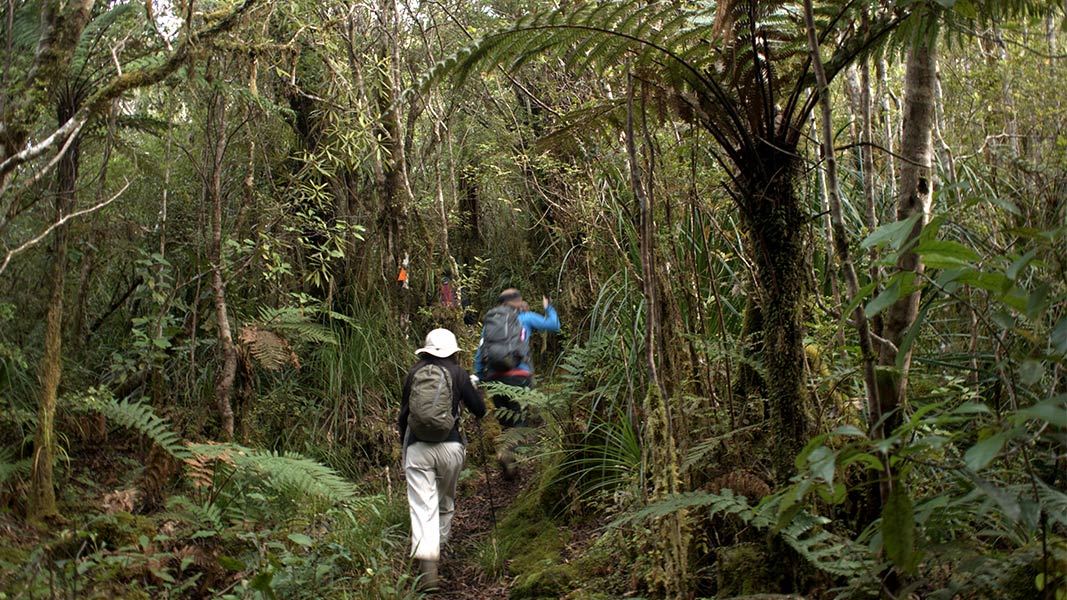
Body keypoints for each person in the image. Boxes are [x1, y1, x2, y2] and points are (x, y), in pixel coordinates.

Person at [399, 328, 486, 591]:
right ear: (453, 351)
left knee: (422, 505)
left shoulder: (414, 373)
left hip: (417, 448)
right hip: (450, 447)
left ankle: (427, 565)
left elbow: (403, 416)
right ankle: (441, 545)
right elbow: (480, 410)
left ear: (426, 350)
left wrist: (405, 444)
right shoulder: (458, 373)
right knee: (445, 499)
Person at [473, 288, 560, 478]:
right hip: (520, 375)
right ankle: (510, 454)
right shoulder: (525, 317)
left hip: (495, 378)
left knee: (505, 421)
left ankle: (507, 457)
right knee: (519, 418)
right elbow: (554, 325)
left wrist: (479, 376)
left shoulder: (490, 323)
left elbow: (481, 352)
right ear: (519, 301)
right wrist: (549, 307)